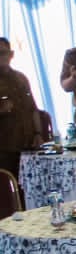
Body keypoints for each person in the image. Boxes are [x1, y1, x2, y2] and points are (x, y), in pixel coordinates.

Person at [0, 38, 41, 177]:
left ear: (11, 54)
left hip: (28, 144)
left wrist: (38, 134)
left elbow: (33, 108)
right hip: (5, 148)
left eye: (2, 53)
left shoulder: (20, 78)